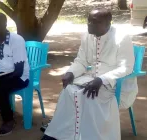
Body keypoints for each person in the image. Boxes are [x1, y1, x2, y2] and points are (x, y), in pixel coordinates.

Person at [42, 8, 137, 140]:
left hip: (114, 82)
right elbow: (81, 60)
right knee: (68, 90)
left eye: (94, 22)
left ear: (108, 24)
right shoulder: (86, 35)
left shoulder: (121, 37)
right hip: (91, 78)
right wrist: (71, 72)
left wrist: (102, 79)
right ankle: (60, 133)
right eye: (88, 21)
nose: (89, 25)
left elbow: (126, 67)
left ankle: (91, 136)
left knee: (90, 96)